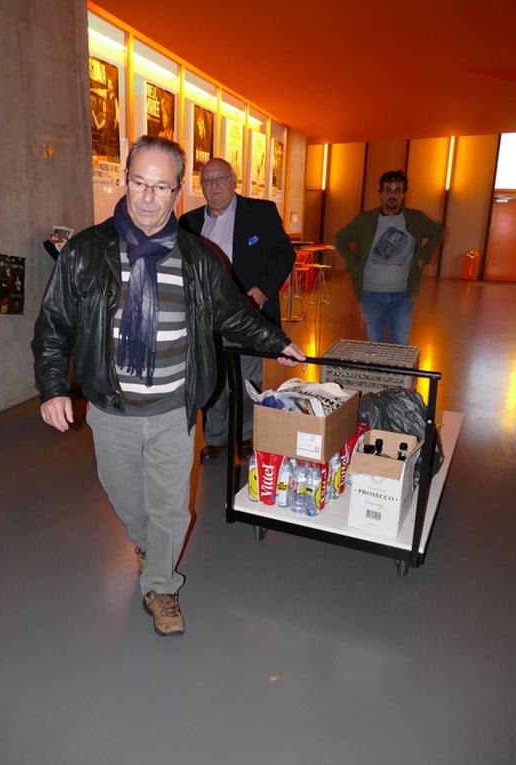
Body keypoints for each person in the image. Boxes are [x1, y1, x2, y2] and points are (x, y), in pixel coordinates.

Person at [32, 136, 305, 637]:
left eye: (161, 187)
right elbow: (54, 324)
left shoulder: (199, 258)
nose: (148, 197)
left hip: (173, 410)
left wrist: (276, 343)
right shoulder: (88, 251)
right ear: (125, 181)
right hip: (111, 408)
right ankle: (149, 541)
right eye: (139, 182)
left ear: (178, 192)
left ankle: (161, 584)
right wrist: (52, 388)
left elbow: (233, 314)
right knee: (124, 497)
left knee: (171, 507)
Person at [179, 157, 295, 463]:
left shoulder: (260, 212)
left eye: (220, 178)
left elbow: (284, 253)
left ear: (233, 181)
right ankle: (216, 438)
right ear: (201, 187)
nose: (214, 185)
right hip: (207, 316)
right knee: (213, 377)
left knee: (247, 378)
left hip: (247, 311)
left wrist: (263, 289)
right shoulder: (188, 222)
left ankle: (245, 436)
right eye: (207, 180)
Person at [335, 170, 444, 345]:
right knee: (376, 346)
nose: (392, 194)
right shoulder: (365, 220)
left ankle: (398, 366)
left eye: (397, 190)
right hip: (371, 294)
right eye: (388, 189)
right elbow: (340, 238)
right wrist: (352, 265)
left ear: (403, 194)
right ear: (380, 194)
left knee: (399, 345)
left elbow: (438, 231)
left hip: (402, 295)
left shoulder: (415, 219)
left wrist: (425, 254)